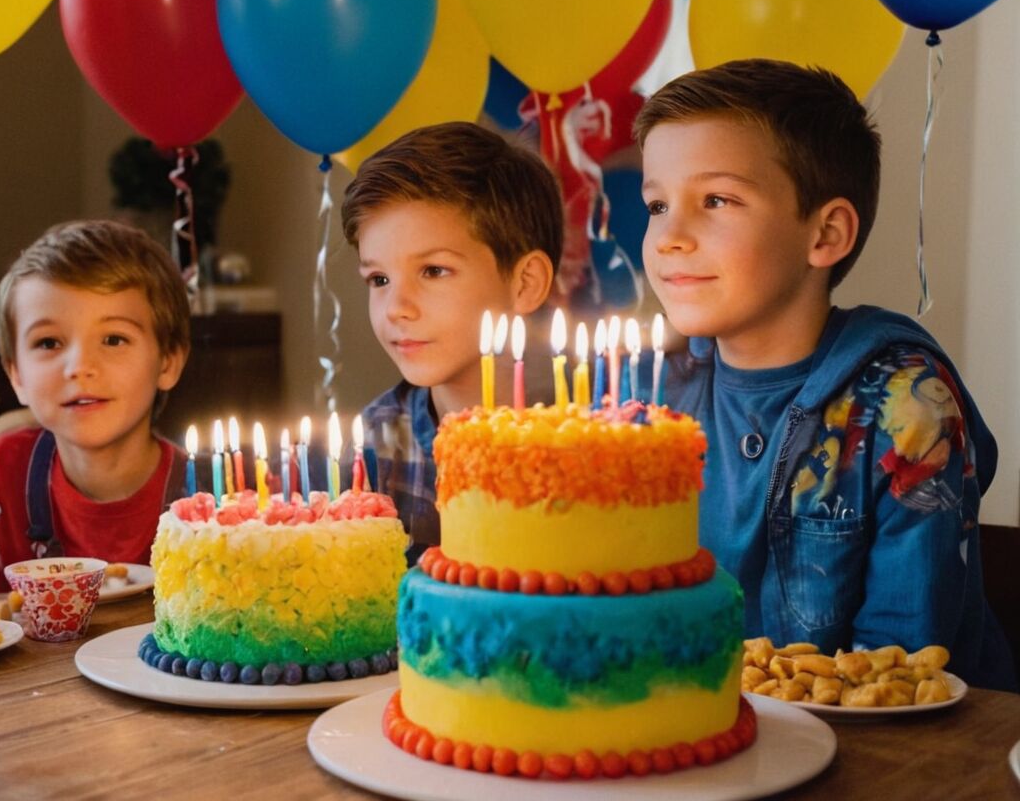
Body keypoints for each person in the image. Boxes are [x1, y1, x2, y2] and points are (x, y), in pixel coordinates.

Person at [634, 58, 1016, 690]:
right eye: (656, 204)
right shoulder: (643, 394)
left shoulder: (907, 408)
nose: (669, 236)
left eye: (716, 200)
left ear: (826, 233)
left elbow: (896, 674)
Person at [341, 121, 563, 564]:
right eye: (379, 279)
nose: (396, 308)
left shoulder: (598, 434)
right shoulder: (376, 445)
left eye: (433, 271)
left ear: (525, 283)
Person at [0, 220, 191, 592]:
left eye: (113, 339)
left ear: (168, 362)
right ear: (16, 375)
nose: (79, 367)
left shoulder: (217, 492)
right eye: (49, 343)